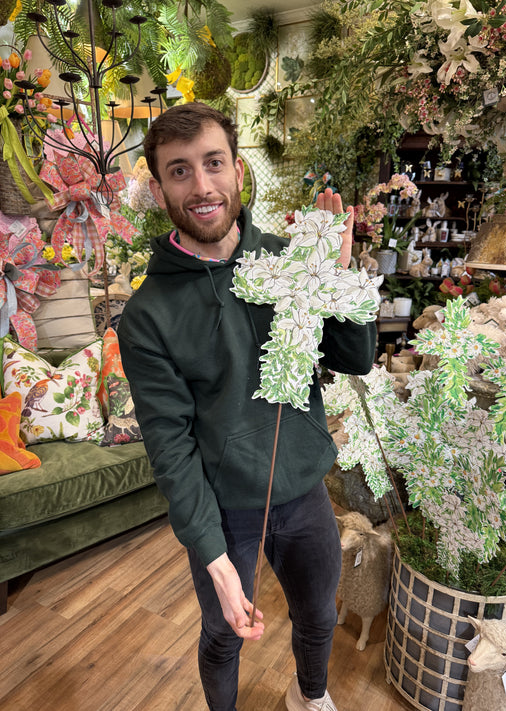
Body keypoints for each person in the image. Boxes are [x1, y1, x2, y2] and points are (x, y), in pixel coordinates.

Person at [117, 102, 377, 711]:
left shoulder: (289, 258)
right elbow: (170, 444)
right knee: (222, 632)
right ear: (159, 190)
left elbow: (353, 358)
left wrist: (340, 281)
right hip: (223, 502)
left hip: (304, 483)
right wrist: (211, 553)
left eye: (213, 164)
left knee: (317, 612)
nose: (201, 186)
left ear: (238, 170)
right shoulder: (147, 314)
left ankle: (309, 695)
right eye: (180, 171)